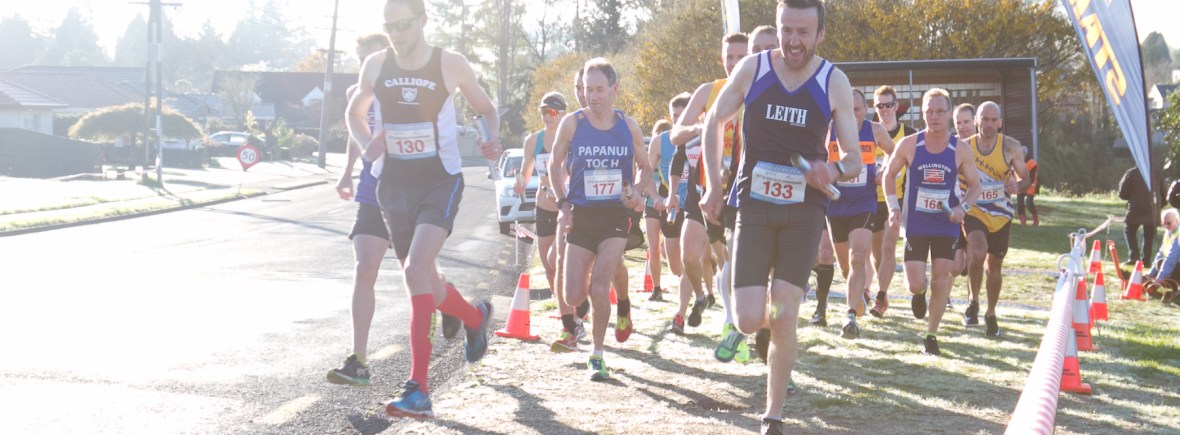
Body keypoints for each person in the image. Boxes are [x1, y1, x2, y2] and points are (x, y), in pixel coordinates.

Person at [698, 1, 863, 432]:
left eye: (803, 32)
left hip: (804, 209)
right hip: (753, 203)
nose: (793, 41)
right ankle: (753, 330)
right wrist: (715, 185)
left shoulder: (834, 81)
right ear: (777, 28)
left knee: (785, 313)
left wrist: (834, 169)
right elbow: (713, 121)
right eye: (786, 30)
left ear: (820, 34)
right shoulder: (753, 69)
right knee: (752, 317)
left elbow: (853, 160)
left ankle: (773, 413)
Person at [345, 0, 498, 418]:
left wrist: (492, 138)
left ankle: (419, 390)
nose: (396, 33)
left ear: (423, 21)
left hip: (439, 181)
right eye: (389, 26)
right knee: (427, 283)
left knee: (415, 271)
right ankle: (474, 316)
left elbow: (486, 109)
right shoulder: (376, 65)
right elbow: (354, 112)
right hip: (393, 186)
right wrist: (368, 144)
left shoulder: (450, 64)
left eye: (403, 24)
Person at [327, 32, 462, 387]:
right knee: (364, 267)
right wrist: (346, 174)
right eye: (364, 58)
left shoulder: (414, 84)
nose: (373, 64)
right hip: (374, 190)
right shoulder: (358, 93)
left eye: (376, 55)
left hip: (411, 188)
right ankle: (358, 360)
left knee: (418, 274)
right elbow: (358, 135)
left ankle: (450, 303)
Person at [549, 58, 651, 381]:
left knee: (598, 285)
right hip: (581, 214)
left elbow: (646, 167)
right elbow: (554, 164)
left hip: (615, 217)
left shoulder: (628, 125)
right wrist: (563, 203)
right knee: (572, 296)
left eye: (598, 89)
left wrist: (637, 191)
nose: (592, 96)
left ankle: (597, 355)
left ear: (614, 89)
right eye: (586, 89)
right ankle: (617, 304)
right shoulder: (572, 123)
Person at [882, 88, 981, 356]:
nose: (934, 116)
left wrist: (963, 208)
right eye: (929, 111)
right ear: (922, 113)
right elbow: (888, 176)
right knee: (917, 282)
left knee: (940, 279)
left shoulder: (959, 149)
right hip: (915, 224)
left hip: (945, 224)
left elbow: (975, 185)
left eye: (939, 111)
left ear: (949, 113)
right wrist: (893, 208)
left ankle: (931, 334)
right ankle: (917, 294)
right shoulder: (910, 144)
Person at [669, 31, 747, 352]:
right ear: (722, 59)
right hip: (703, 188)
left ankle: (734, 318)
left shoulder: (759, 94)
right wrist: (699, 128)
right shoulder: (709, 91)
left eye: (740, 57)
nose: (733, 63)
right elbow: (675, 135)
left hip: (739, 192)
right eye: (729, 57)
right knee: (688, 253)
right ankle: (701, 297)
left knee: (730, 262)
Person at [818, 88, 894, 338]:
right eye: (846, 110)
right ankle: (858, 295)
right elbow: (815, 158)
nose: (851, 115)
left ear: (865, 110)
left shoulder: (875, 131)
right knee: (845, 266)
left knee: (859, 255)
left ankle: (850, 316)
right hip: (835, 204)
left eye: (857, 109)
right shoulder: (827, 130)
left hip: (864, 202)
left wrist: (885, 172)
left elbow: (896, 153)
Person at [958, 102, 1029, 335]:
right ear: (976, 121)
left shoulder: (1011, 147)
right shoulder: (963, 147)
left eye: (993, 120)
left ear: (999, 122)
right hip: (974, 209)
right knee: (977, 251)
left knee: (995, 266)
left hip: (1000, 213)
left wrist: (1016, 185)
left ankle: (990, 312)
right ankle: (973, 301)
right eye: (983, 119)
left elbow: (1026, 180)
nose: (988, 125)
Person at [867, 85, 916, 318]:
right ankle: (882, 293)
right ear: (873, 108)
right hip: (869, 200)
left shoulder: (909, 134)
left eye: (888, 105)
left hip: (895, 200)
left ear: (896, 107)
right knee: (876, 254)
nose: (884, 110)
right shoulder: (868, 131)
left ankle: (880, 296)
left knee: (888, 247)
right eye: (880, 106)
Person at [515, 92, 567, 302]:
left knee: (559, 258)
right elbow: (525, 172)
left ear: (563, 114)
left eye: (553, 111)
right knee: (547, 262)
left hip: (567, 205)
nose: (548, 116)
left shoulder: (570, 137)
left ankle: (572, 301)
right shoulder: (532, 141)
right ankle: (559, 303)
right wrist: (519, 182)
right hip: (544, 205)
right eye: (544, 111)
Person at [643, 94, 692, 303]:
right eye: (675, 116)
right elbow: (645, 172)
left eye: (683, 115)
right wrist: (654, 197)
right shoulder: (659, 141)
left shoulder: (702, 137)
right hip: (665, 201)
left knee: (693, 257)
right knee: (664, 256)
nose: (678, 120)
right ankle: (659, 288)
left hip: (692, 204)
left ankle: (696, 291)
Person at [1118, 166, 1162, 266]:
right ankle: (1146, 260)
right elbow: (1164, 193)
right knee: (1149, 235)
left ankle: (1134, 257)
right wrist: (1159, 205)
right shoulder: (1156, 173)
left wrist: (1131, 197)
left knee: (1129, 231)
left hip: (1135, 208)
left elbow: (1122, 193)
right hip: (1152, 209)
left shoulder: (1131, 173)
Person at [1016, 146, 1039, 226]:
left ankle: (1035, 220)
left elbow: (1033, 176)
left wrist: (1028, 184)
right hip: (1021, 184)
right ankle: (1023, 221)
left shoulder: (1031, 163)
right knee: (1020, 203)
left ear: (1025, 154)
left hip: (1031, 184)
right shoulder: (1017, 162)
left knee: (1029, 202)